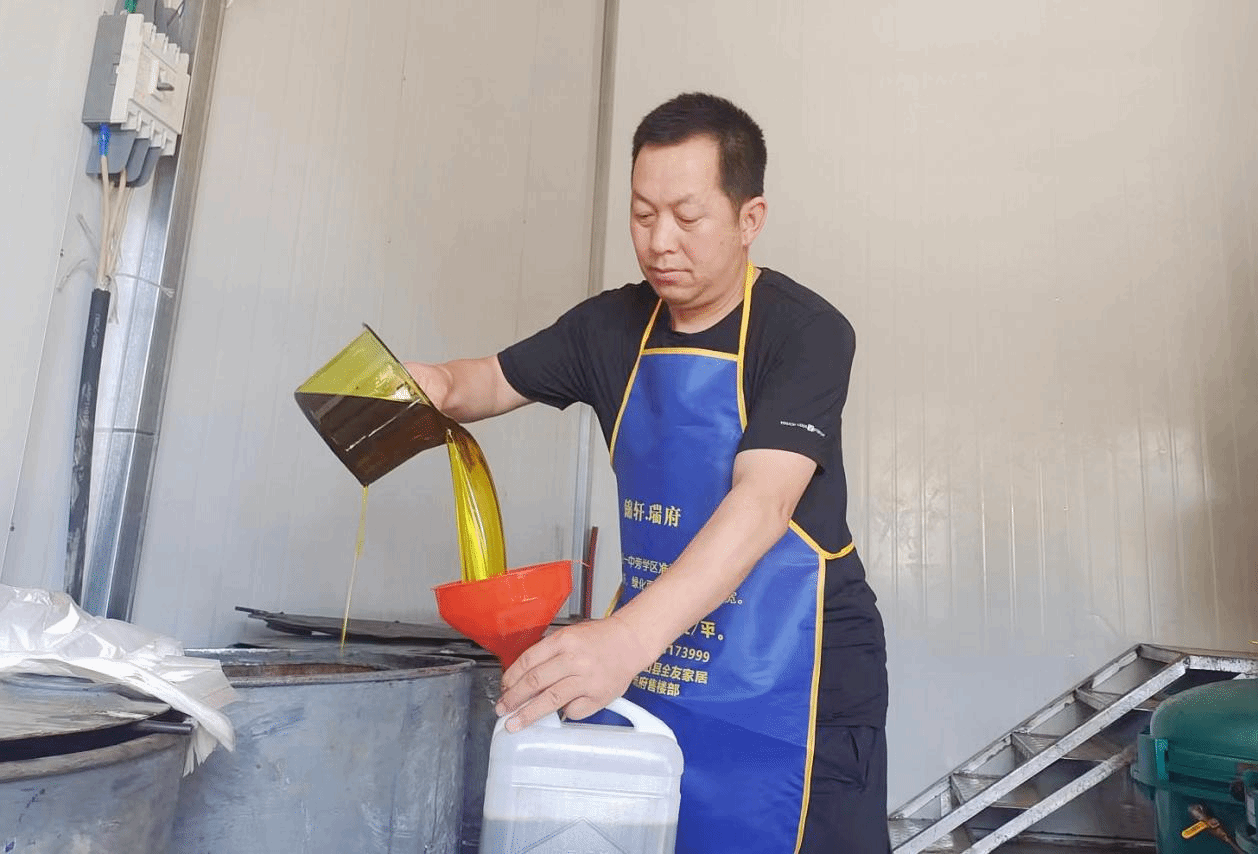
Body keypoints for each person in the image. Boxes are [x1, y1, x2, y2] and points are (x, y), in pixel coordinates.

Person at [405, 92, 889, 854]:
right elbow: (486, 382)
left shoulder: (807, 333)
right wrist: (428, 384)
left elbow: (764, 501)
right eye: (642, 214)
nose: (660, 241)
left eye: (687, 217)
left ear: (749, 219)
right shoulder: (610, 327)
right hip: (663, 659)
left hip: (798, 664)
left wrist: (624, 640)